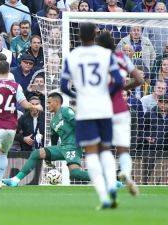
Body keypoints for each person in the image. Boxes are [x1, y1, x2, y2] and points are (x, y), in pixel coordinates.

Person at [60, 23, 124, 209]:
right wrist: (106, 94)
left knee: (91, 153)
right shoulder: (106, 54)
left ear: (79, 36)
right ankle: (112, 184)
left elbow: (64, 87)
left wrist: (77, 95)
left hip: (85, 109)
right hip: (104, 107)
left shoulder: (72, 56)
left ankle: (104, 197)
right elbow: (119, 81)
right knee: (105, 149)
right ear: (94, 35)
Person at [4, 92, 91, 185]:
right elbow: (54, 139)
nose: (47, 105)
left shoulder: (65, 110)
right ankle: (15, 180)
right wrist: (50, 156)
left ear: (57, 102)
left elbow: (77, 124)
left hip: (73, 147)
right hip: (62, 147)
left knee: (75, 174)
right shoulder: (53, 121)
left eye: (49, 102)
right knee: (36, 153)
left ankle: (104, 177)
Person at [97, 31, 144, 196]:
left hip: (102, 110)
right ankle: (125, 172)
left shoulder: (95, 61)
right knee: (123, 149)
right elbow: (139, 79)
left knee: (104, 148)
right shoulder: (122, 58)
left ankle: (110, 182)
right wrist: (123, 88)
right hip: (121, 109)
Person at [0, 60, 37, 189]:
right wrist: (35, 106)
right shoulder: (16, 86)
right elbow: (24, 104)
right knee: (4, 153)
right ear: (9, 71)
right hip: (11, 127)